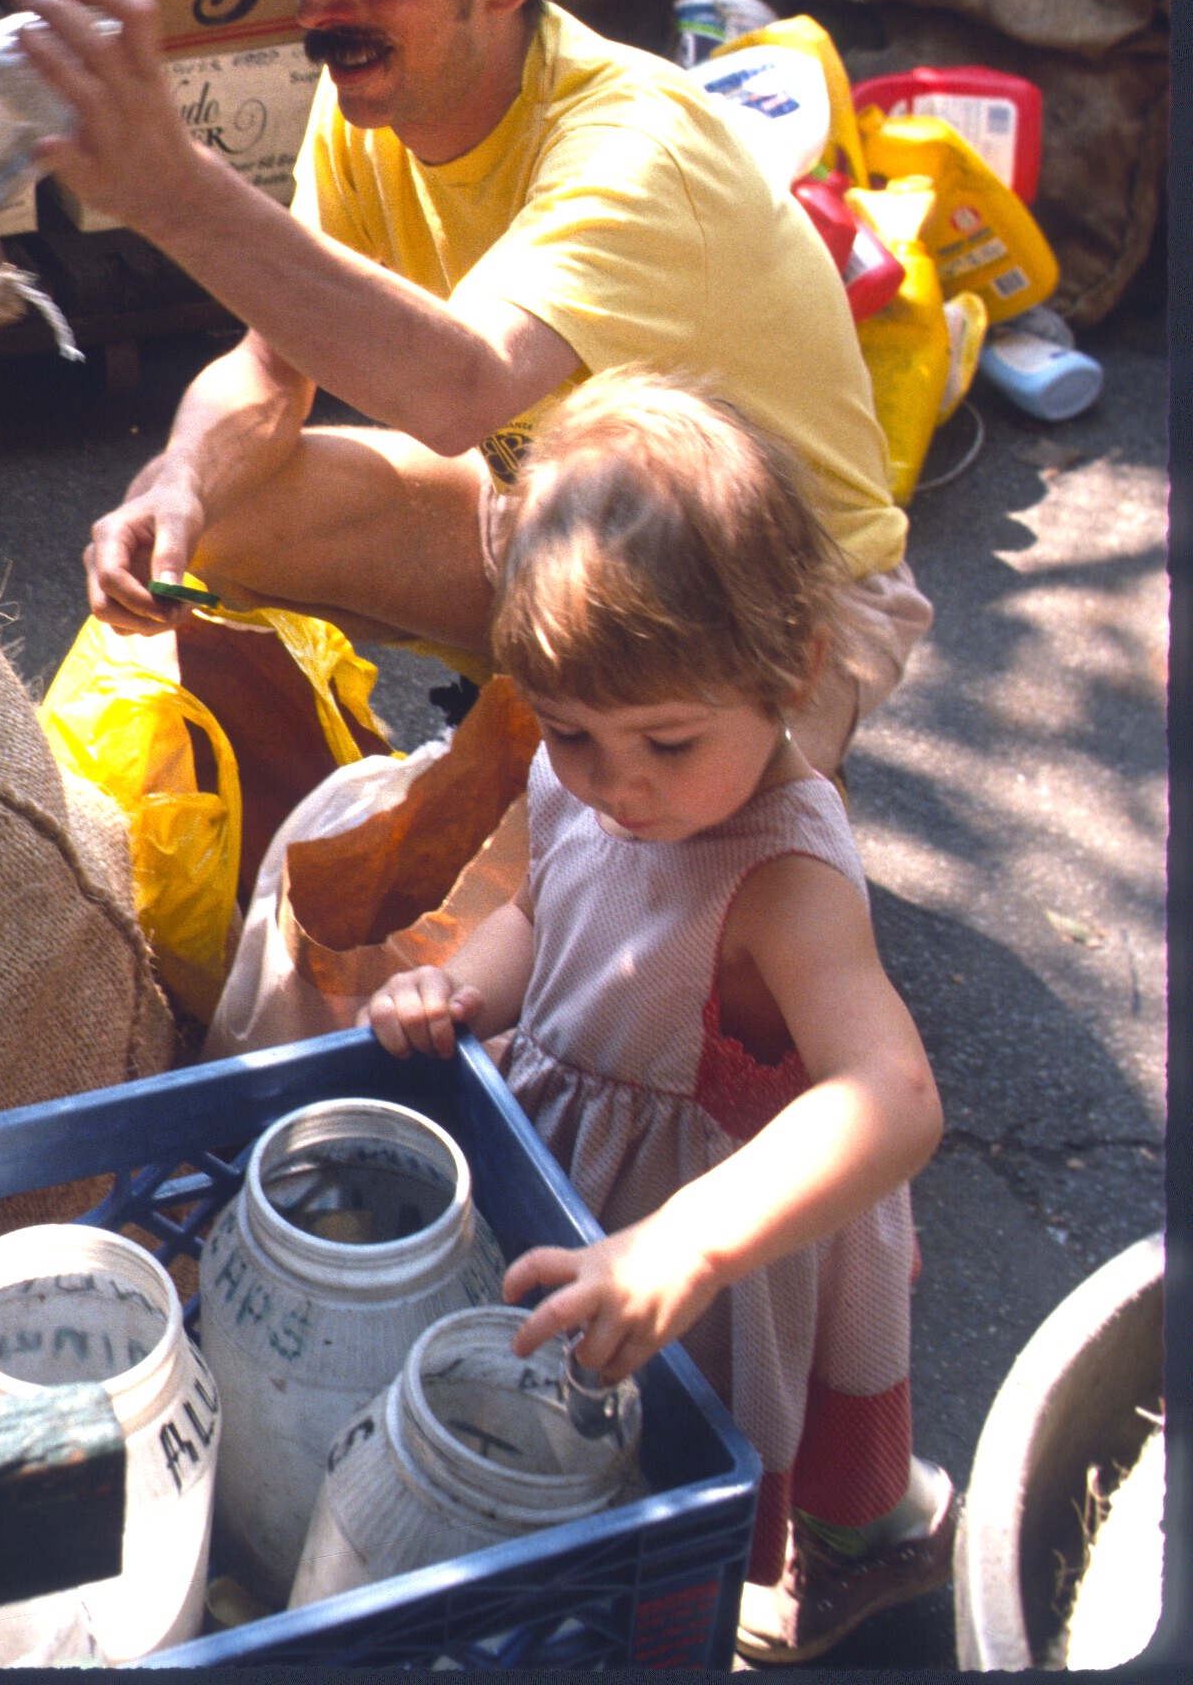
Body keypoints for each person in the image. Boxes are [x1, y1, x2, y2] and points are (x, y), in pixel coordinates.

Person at [13, 0, 930, 772]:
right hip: (554, 521)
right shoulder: (373, 98)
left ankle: (715, 812)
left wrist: (173, 190)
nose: (322, 5)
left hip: (773, 597)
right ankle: (363, 787)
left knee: (612, 893)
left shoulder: (635, 144)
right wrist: (181, 478)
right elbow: (270, 367)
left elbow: (461, 391)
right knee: (197, 523)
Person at [363, 372, 952, 1664]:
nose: (618, 785)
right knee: (594, 1421)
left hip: (727, 1231)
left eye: (668, 745)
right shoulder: (582, 778)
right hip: (587, 1172)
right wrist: (466, 981)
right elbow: (554, 908)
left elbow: (894, 1097)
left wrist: (687, 1246)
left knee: (760, 1441)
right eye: (572, 733)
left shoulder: (784, 879)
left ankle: (878, 1542)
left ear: (792, 670)